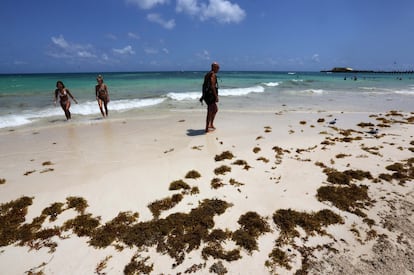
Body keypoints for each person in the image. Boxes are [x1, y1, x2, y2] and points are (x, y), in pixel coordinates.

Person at [201, 62, 220, 133]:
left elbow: (204, 85)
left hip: (207, 95)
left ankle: (210, 124)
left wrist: (203, 95)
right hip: (210, 96)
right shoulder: (212, 75)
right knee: (210, 111)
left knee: (215, 109)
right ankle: (206, 128)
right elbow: (212, 86)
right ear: (214, 67)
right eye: (217, 67)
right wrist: (216, 96)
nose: (218, 69)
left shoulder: (207, 74)